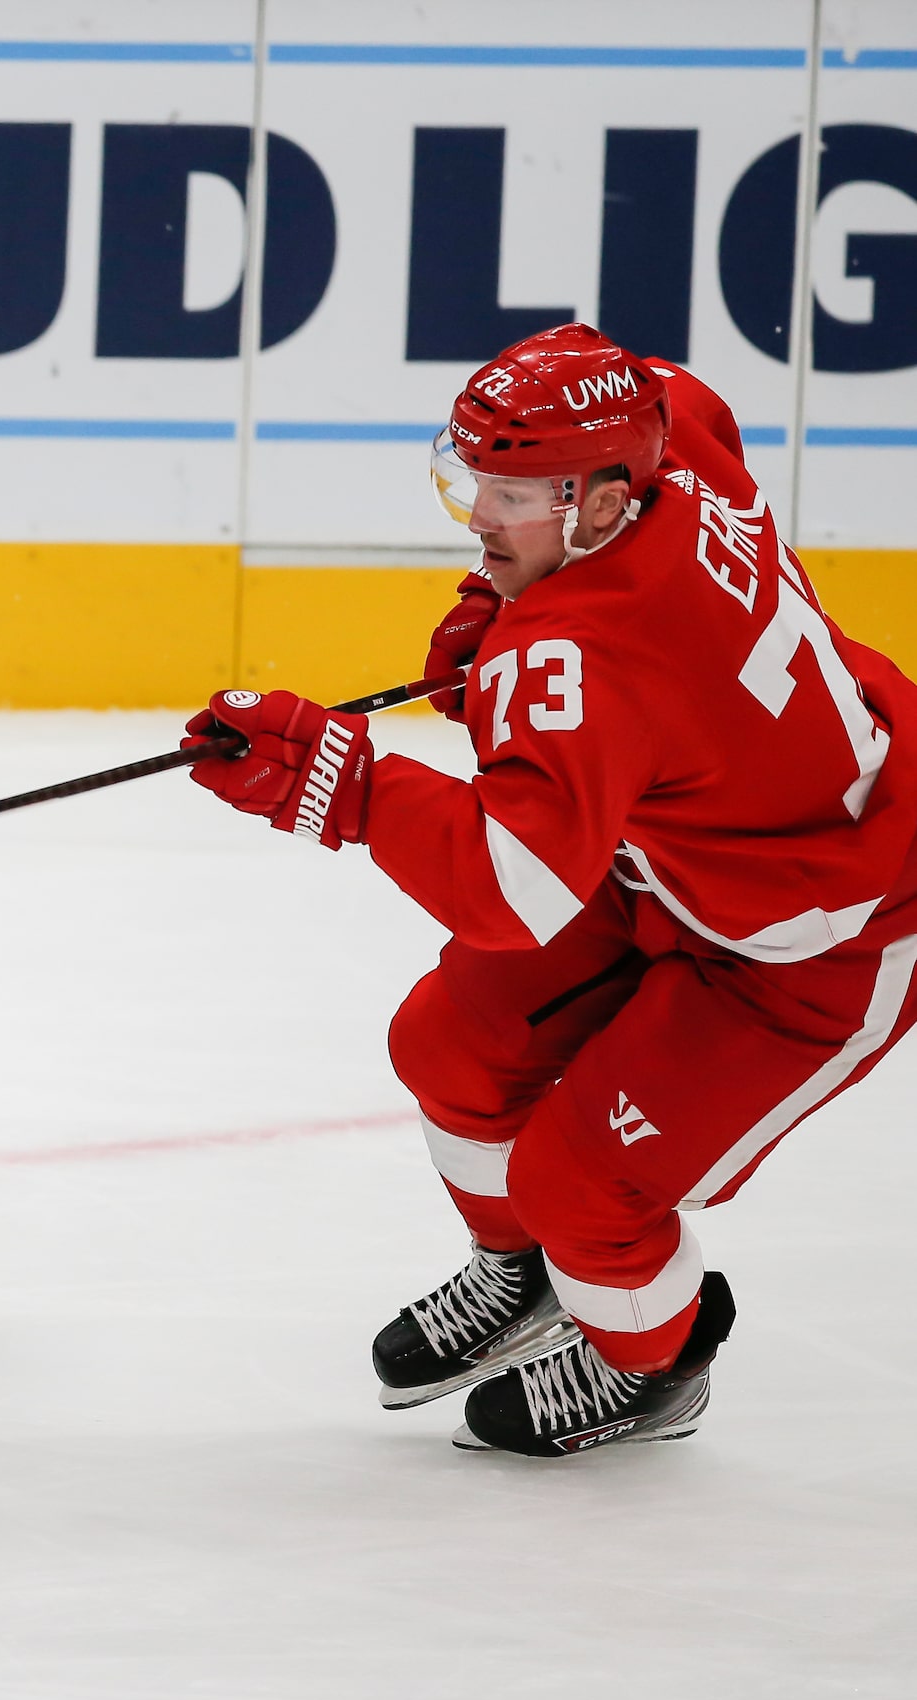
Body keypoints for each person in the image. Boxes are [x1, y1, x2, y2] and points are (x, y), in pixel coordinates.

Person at [187, 322, 917, 1456]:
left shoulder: (589, 651)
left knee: (584, 1186)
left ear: (606, 502)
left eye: (513, 495)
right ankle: (521, 1276)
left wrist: (348, 783)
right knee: (449, 1046)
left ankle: (652, 1364)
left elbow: (514, 889)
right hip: (676, 854)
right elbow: (689, 401)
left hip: (825, 940)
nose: (480, 517)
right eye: (474, 479)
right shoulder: (664, 450)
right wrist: (510, 604)